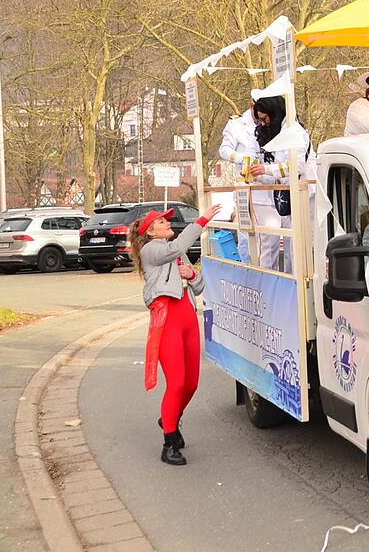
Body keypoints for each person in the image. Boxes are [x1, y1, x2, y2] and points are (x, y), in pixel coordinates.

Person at [128, 203, 221, 465]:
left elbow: (200, 286)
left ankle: (169, 417)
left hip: (188, 318)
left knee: (191, 383)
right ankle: (169, 442)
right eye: (162, 222)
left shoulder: (176, 254)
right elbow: (178, 246)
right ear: (150, 232)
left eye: (167, 221)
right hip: (167, 320)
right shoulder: (151, 250)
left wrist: (192, 275)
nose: (168, 223)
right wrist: (202, 220)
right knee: (177, 382)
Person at [250, 96, 317, 272]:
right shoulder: (284, 131)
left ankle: (300, 290)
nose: (263, 124)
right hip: (291, 199)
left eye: (264, 119)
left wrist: (266, 170)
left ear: (275, 113)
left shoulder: (293, 131)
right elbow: (280, 173)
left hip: (304, 198)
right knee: (290, 249)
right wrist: (259, 176)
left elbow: (296, 167)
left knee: (299, 249)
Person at [218, 102, 263, 261]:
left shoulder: (270, 121)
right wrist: (242, 159)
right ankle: (246, 266)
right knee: (245, 234)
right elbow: (224, 150)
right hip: (245, 186)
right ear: (252, 106)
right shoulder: (236, 124)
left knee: (266, 235)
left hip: (266, 186)